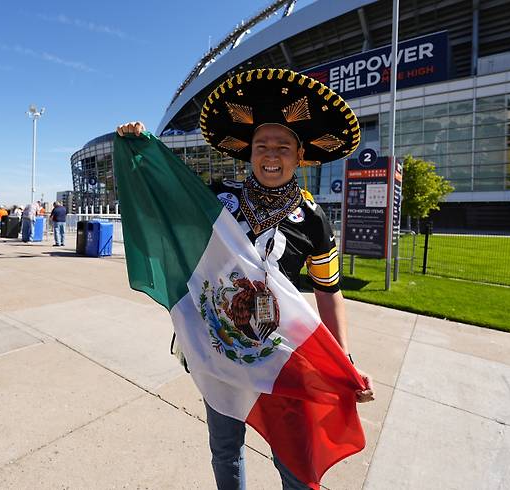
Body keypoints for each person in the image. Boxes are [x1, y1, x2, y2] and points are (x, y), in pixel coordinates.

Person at [117, 68, 374, 489]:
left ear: (301, 155)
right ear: (249, 151)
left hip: (279, 354)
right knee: (225, 445)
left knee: (293, 456)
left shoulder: (314, 221)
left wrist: (342, 357)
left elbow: (329, 292)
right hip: (217, 345)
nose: (271, 154)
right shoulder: (218, 198)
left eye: (283, 146)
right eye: (261, 145)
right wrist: (141, 153)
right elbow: (165, 212)